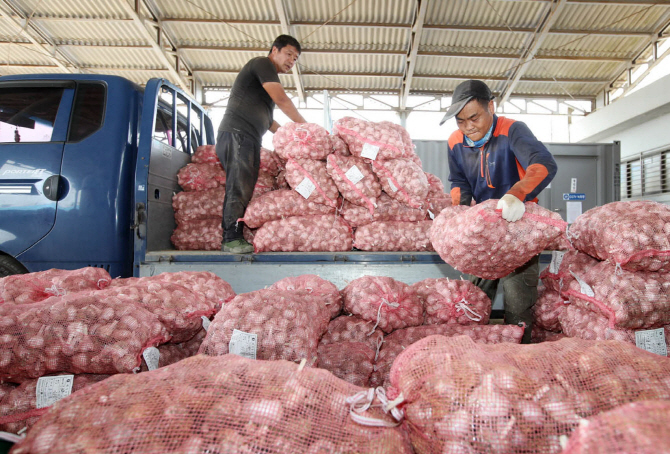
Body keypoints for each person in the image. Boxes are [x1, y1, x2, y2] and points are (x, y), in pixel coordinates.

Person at [440, 79, 557, 343]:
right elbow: (459, 182)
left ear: (491, 106)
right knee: (474, 298)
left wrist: (517, 194)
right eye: (460, 121)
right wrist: (459, 213)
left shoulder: (512, 130)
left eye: (474, 117)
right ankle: (473, 351)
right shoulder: (455, 142)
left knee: (518, 302)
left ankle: (519, 355)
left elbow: (543, 164)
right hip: (483, 232)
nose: (468, 126)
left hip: (518, 227)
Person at [216, 34, 306, 254]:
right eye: (288, 54)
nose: (291, 61)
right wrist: (306, 128)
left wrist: (292, 136)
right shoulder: (262, 64)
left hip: (248, 138)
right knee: (239, 186)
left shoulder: (263, 85)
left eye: (295, 59)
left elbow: (267, 121)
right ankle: (230, 238)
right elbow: (282, 100)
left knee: (244, 186)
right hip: (237, 135)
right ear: (274, 50)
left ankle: (234, 235)